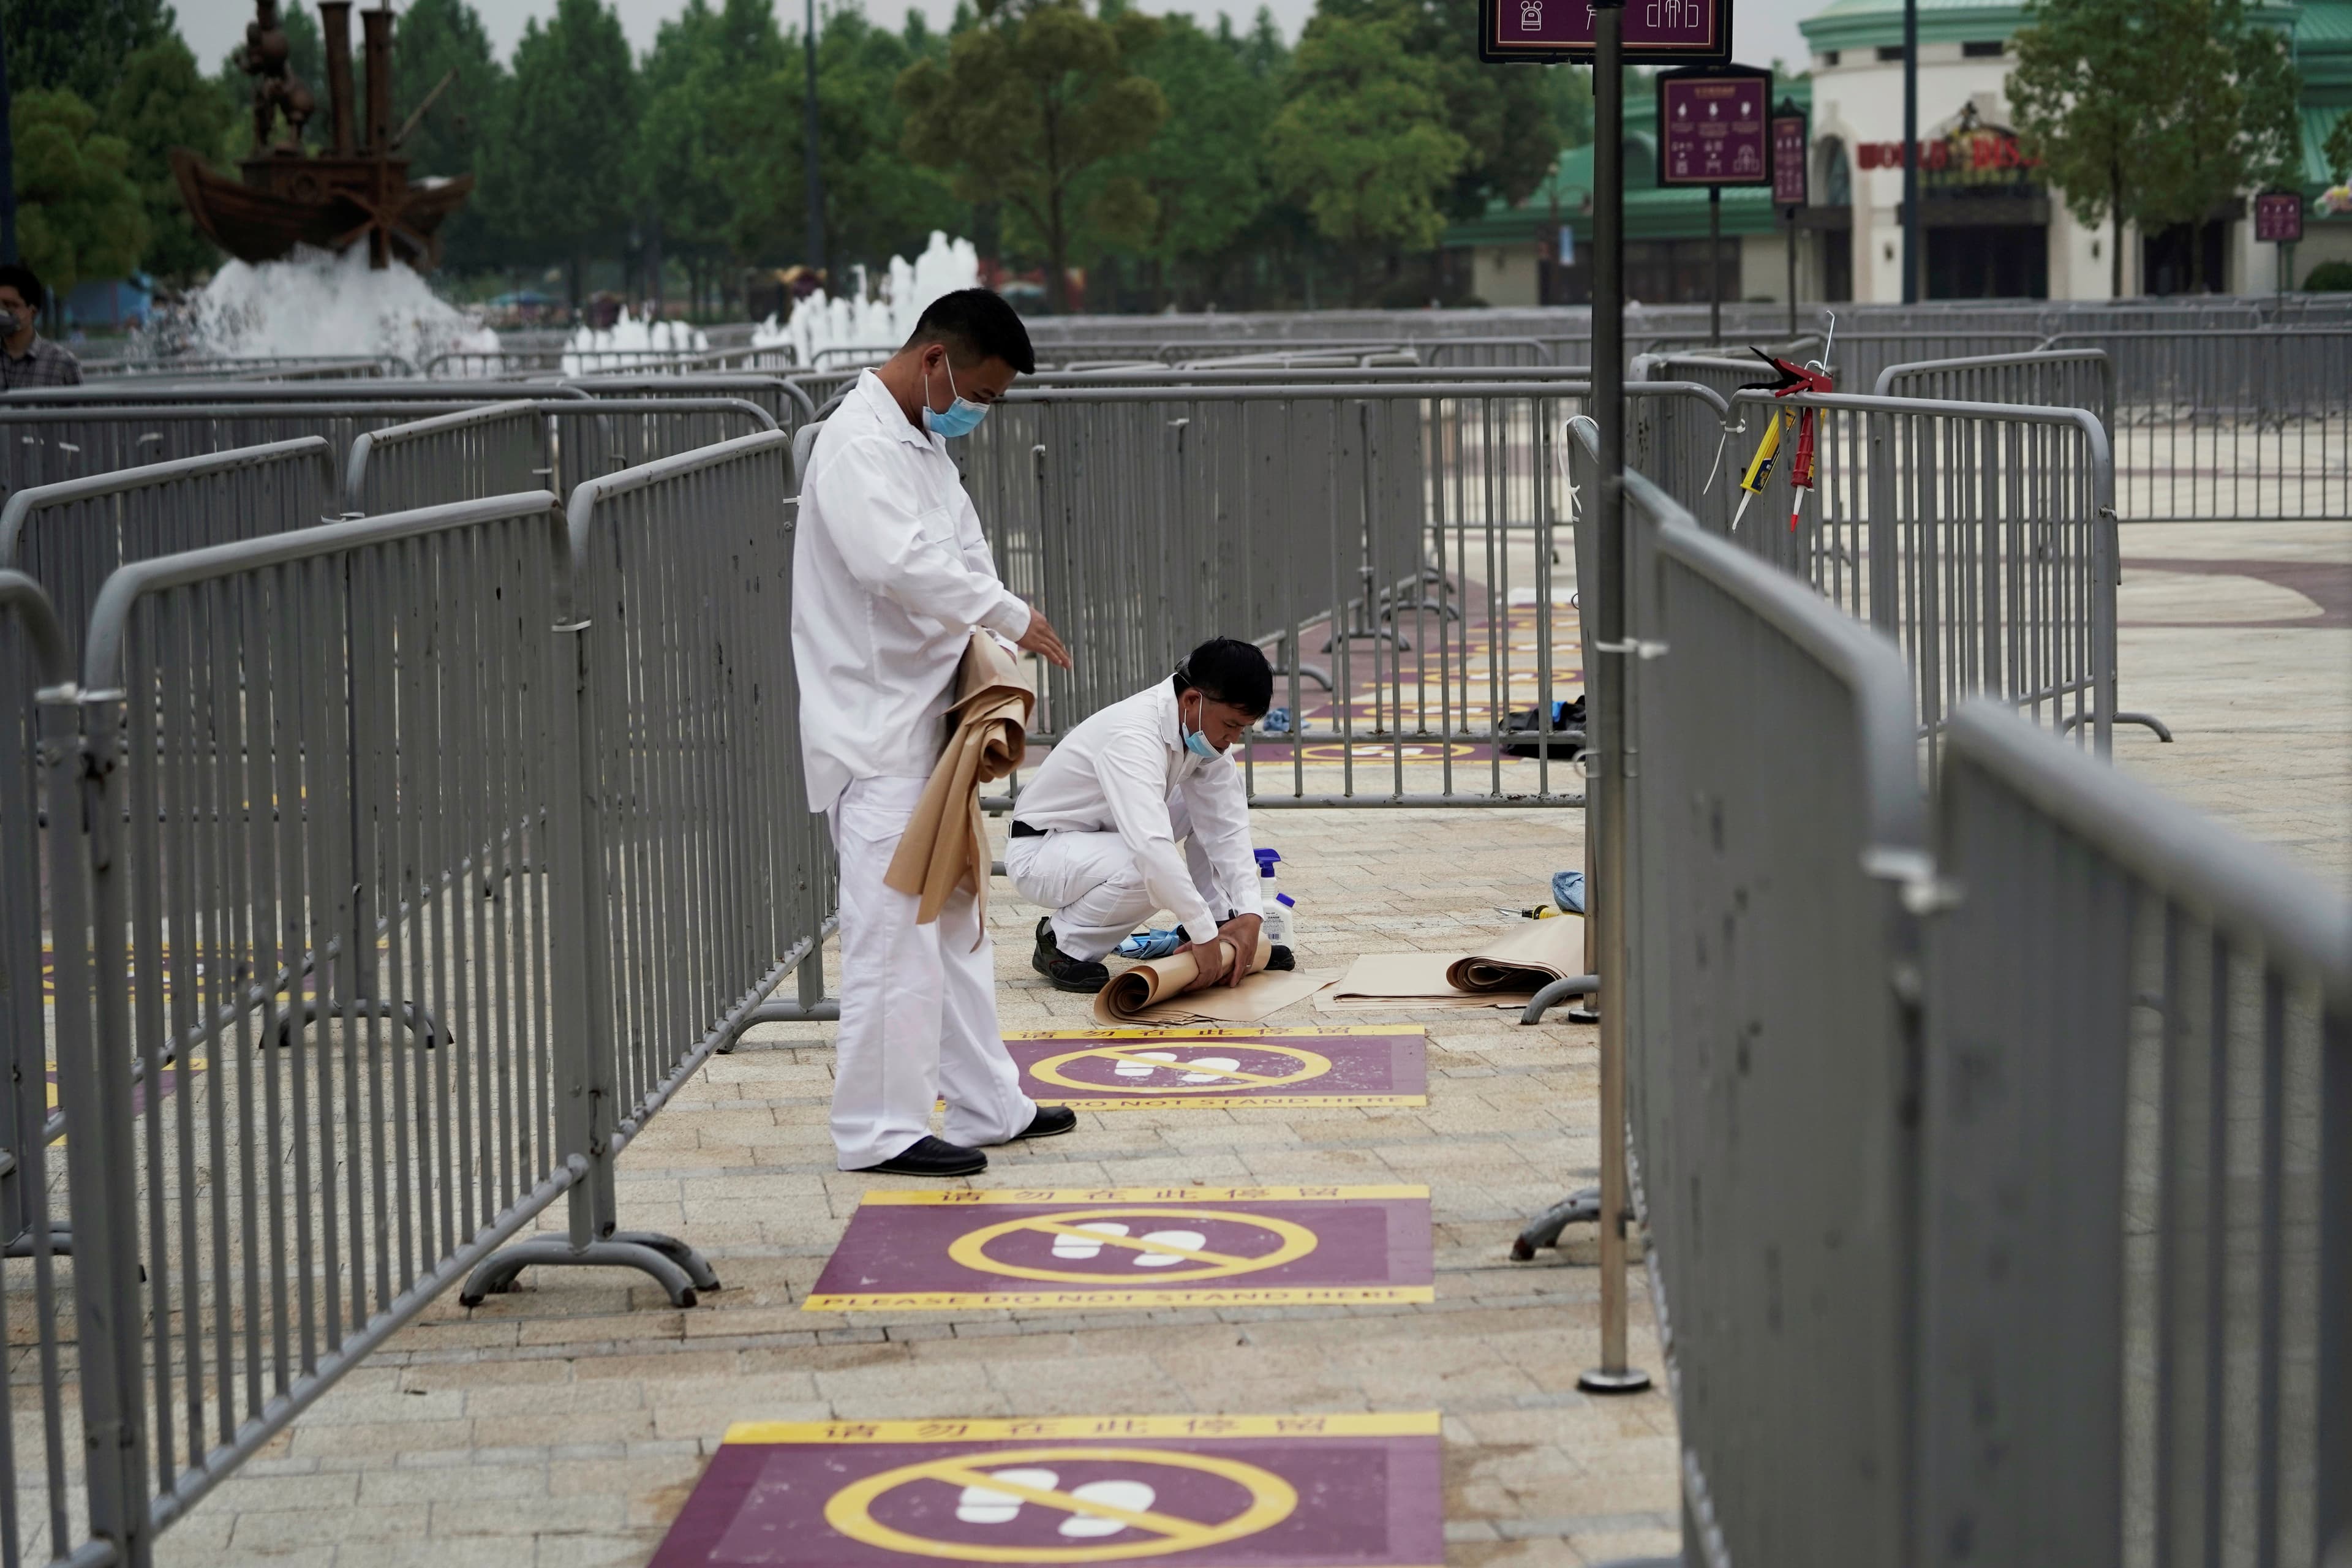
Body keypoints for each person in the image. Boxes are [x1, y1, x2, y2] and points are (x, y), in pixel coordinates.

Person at [793, 288, 1076, 1179]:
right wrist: (1006, 615)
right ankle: (879, 1129)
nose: (979, 414)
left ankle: (989, 1100)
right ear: (934, 362)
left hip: (929, 721)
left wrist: (993, 637)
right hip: (874, 733)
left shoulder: (918, 444)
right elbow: (898, 564)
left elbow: (961, 549)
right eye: (980, 395)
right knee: (890, 937)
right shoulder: (857, 445)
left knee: (952, 919)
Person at [1008, 638, 1281, 995]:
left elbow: (1226, 827)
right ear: (1192, 700)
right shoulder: (1133, 735)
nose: (1232, 739)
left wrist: (1249, 915)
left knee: (1207, 809)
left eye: (1242, 729)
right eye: (1230, 724)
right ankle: (1062, 943)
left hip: (1102, 839)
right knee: (1146, 865)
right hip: (1042, 851)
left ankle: (1222, 921)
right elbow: (1150, 847)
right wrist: (1200, 934)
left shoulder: (1200, 731)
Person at [0, 266, 82, 390]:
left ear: (32, 312)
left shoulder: (62, 363)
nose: (2, 312)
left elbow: (80, 408)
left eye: (10, 305)